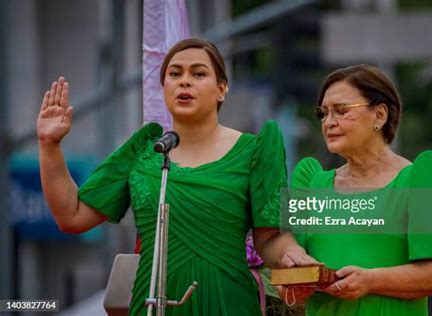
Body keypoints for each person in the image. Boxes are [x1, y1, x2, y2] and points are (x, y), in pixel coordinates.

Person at [37, 38, 316, 316]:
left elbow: (269, 239)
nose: (184, 81)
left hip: (228, 304)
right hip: (152, 306)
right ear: (164, 88)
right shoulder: (143, 150)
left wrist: (291, 256)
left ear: (221, 89)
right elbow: (71, 215)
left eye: (198, 73)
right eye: (175, 74)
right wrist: (50, 145)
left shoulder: (256, 150)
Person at [280, 64, 432, 315]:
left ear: (380, 115)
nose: (328, 123)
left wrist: (371, 281)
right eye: (323, 113)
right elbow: (288, 278)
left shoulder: (423, 178)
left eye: (341, 111)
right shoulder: (310, 183)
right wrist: (293, 283)